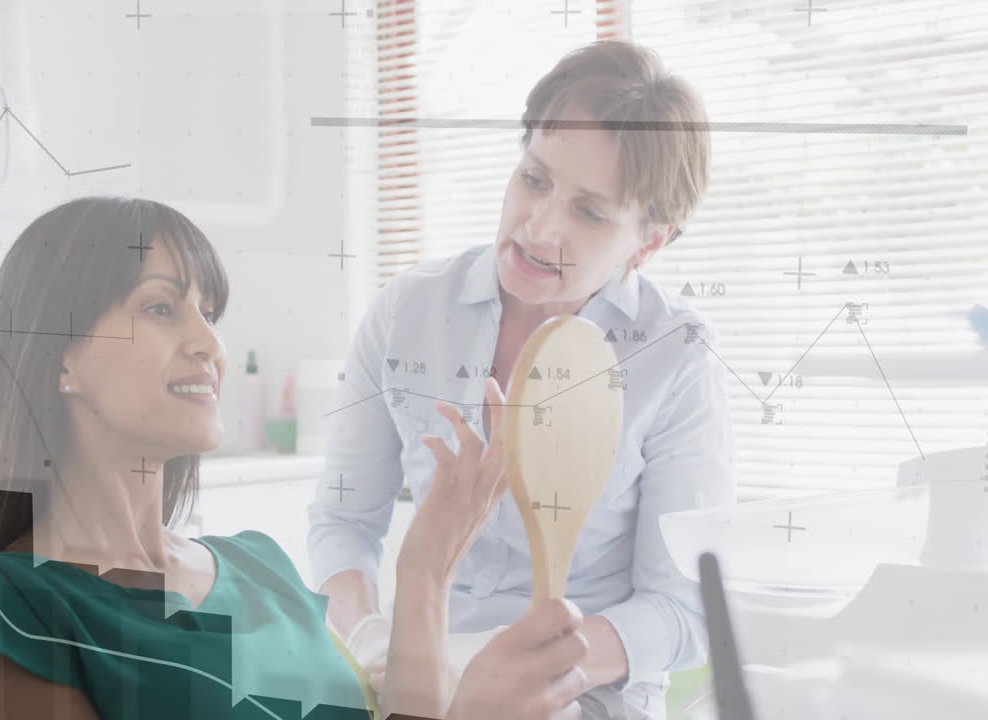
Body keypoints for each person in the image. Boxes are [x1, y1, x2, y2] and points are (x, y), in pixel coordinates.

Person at [0, 196, 592, 720]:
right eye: (160, 308)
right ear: (61, 358)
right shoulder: (7, 604)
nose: (210, 342)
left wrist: (423, 576)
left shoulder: (260, 565)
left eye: (210, 312)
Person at [307, 40, 736, 720]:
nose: (537, 229)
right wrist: (369, 636)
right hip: (422, 678)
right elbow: (342, 520)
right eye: (535, 180)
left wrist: (523, 665)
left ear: (649, 243)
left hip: (585, 693)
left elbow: (682, 610)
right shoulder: (407, 313)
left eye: (589, 212)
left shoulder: (674, 356)